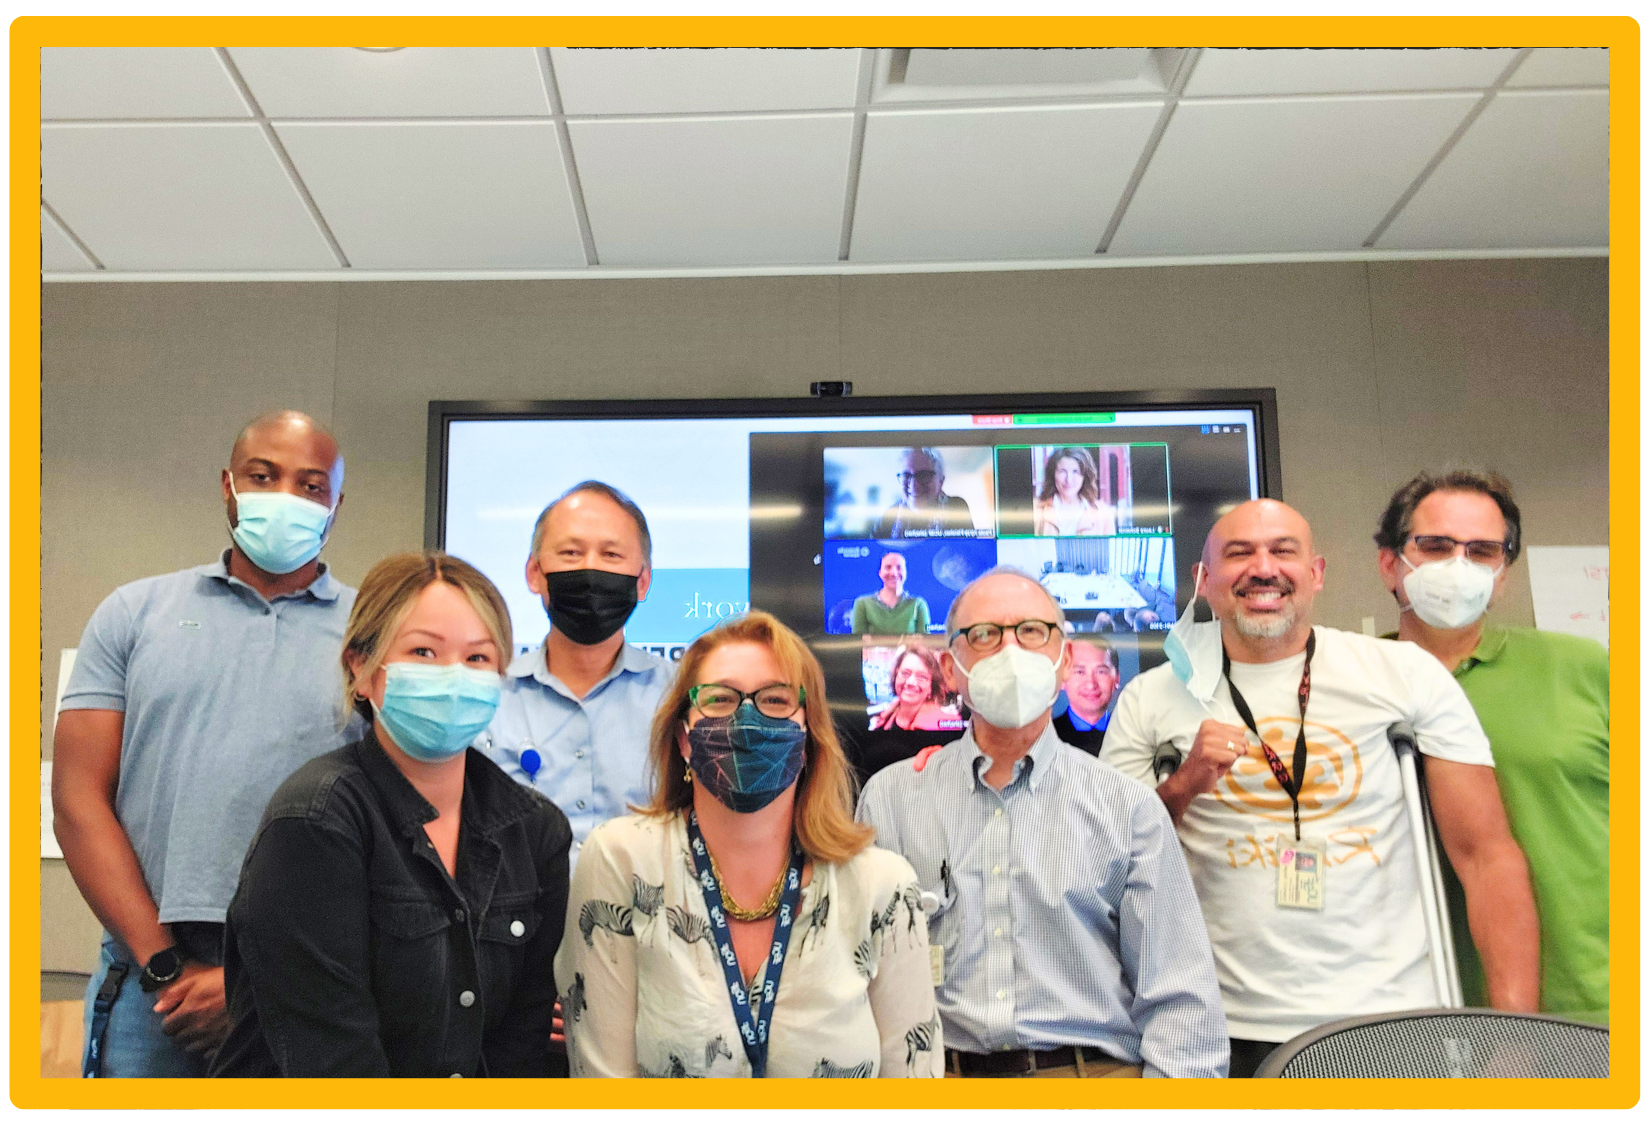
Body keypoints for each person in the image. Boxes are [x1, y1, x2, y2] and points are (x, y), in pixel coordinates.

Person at [1102, 499, 1540, 1077]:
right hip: (1217, 1028)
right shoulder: (1151, 698)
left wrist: (1519, 1036)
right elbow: (1111, 871)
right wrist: (1182, 786)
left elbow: (1487, 857)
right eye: (1239, 554)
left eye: (1284, 551)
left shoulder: (1402, 673)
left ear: (1317, 574)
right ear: (1203, 581)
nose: (1264, 568)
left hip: (1391, 1023)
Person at [53, 410, 356, 1078]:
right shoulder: (133, 613)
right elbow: (77, 800)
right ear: (227, 485)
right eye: (262, 475)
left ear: (336, 502)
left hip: (317, 978)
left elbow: (402, 822)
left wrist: (263, 980)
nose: (285, 496)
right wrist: (163, 964)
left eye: (310, 485)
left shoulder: (375, 632)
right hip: (152, 983)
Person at [858, 567, 1228, 1078]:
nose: (1010, 652)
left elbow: (1183, 1004)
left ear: (1065, 659)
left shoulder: (1128, 809)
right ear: (950, 668)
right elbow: (862, 980)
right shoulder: (892, 800)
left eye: (1032, 631)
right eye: (984, 634)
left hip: (1091, 1080)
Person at [212, 552, 571, 1077]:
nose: (453, 676)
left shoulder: (535, 830)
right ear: (361, 668)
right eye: (423, 652)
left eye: (477, 659)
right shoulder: (315, 821)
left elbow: (520, 1043)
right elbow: (332, 1062)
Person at [555, 611, 942, 1078]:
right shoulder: (620, 860)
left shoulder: (882, 884)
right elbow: (603, 1087)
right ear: (682, 737)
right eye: (719, 699)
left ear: (808, 735)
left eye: (775, 700)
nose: (746, 718)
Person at [1375, 470, 1608, 1024]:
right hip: (1412, 1010)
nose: (1459, 566)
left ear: (1503, 575)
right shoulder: (1353, 683)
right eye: (1434, 546)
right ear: (1390, 564)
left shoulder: (1584, 669)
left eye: (1482, 551)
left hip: (1594, 996)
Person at [481, 481, 673, 871]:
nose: (590, 569)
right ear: (535, 573)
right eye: (570, 553)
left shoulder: (680, 699)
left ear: (643, 581)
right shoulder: (487, 697)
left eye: (611, 554)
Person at [871, 448, 976, 538]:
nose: (914, 486)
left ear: (940, 481)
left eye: (924, 475)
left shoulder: (956, 507)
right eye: (906, 476)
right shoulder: (890, 515)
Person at [869, 644, 962, 732]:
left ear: (931, 687)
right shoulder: (883, 718)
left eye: (922, 677)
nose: (910, 682)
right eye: (905, 673)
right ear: (896, 675)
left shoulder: (947, 724)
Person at [1052, 637, 1119, 755]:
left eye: (1101, 672)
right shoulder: (1045, 737)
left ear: (1117, 679)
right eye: (1080, 672)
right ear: (1062, 679)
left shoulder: (1133, 734)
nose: (1091, 684)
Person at [1032, 447, 1116, 537]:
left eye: (1075, 472)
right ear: (1053, 475)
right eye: (1062, 471)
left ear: (1085, 476)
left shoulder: (1102, 512)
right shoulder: (1036, 510)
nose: (1069, 479)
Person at [850, 552, 932, 635]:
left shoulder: (918, 604)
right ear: (880, 573)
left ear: (905, 573)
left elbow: (925, 643)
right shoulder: (863, 604)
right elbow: (858, 642)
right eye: (888, 567)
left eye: (899, 568)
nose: (894, 573)